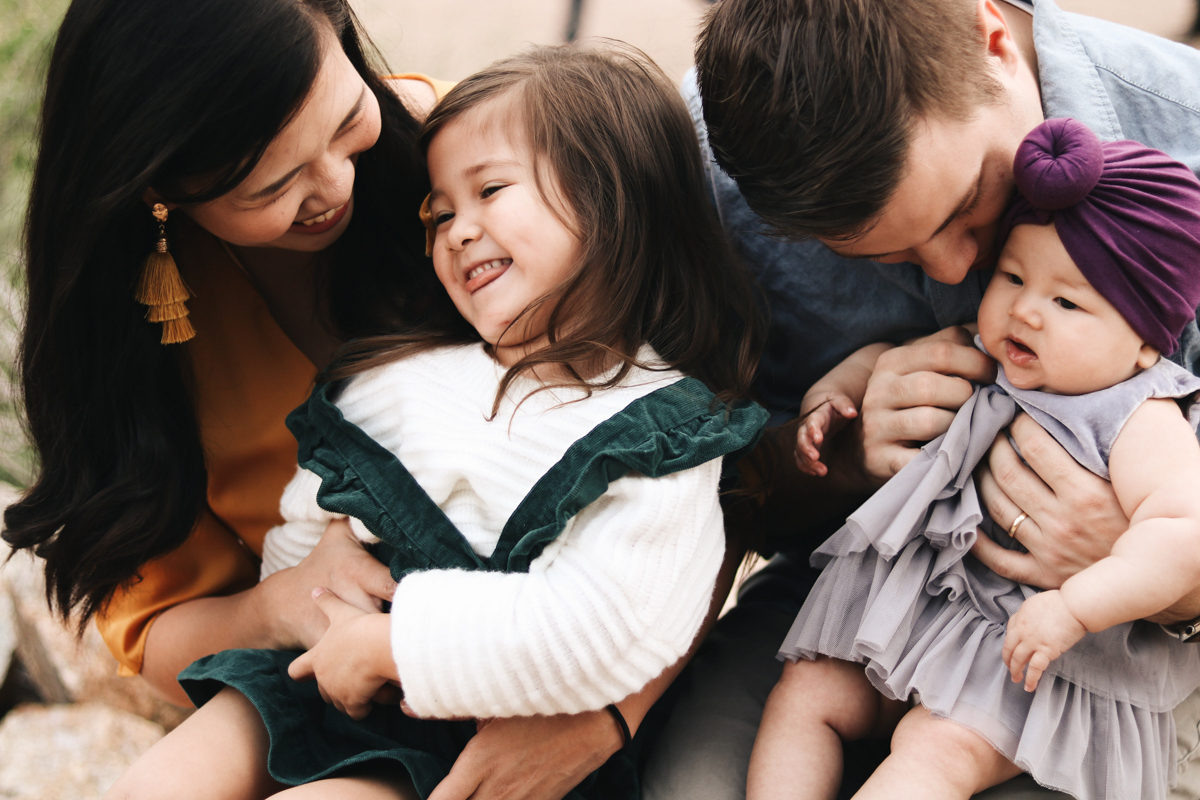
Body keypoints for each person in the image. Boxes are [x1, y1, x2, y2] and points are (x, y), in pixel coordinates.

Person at [1, 3, 735, 798]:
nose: (334, 184)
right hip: (309, 670)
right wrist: (285, 605)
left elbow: (703, 509)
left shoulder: (498, 149)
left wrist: (602, 718)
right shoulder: (145, 335)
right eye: (272, 184)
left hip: (504, 683)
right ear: (161, 189)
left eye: (348, 119)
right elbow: (162, 624)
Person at [643, 1, 1200, 799]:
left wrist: (1166, 574)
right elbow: (693, 472)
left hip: (1106, 650)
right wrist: (835, 459)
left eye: (972, 200)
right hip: (854, 590)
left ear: (994, 42)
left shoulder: (1185, 134)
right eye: (884, 255)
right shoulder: (720, 161)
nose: (950, 272)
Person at [751, 118, 1200, 800]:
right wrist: (831, 398)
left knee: (934, 749)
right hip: (919, 618)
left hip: (1036, 657)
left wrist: (1075, 608)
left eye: (1067, 300)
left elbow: (1182, 533)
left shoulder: (1139, 415)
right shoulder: (992, 353)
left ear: (1144, 341)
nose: (1026, 310)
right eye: (1014, 275)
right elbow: (876, 364)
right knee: (807, 690)